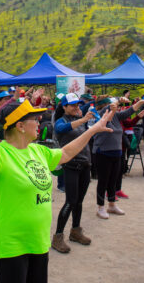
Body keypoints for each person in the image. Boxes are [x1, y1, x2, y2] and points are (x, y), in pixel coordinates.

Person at [0, 99, 114, 282]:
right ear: (20, 125)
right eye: (34, 118)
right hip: (11, 244)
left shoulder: (38, 151)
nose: (39, 120)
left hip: (38, 241)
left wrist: (93, 130)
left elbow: (65, 153)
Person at [93, 96, 144, 219]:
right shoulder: (99, 114)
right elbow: (108, 110)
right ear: (104, 105)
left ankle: (112, 205)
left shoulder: (116, 116)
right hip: (103, 152)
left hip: (117, 153)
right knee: (103, 181)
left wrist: (140, 102)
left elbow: (129, 111)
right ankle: (100, 207)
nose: (114, 106)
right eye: (110, 104)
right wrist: (118, 101)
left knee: (113, 181)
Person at [51, 93, 95, 254]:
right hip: (71, 166)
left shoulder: (80, 119)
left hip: (85, 165)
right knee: (70, 201)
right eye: (72, 105)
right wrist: (83, 120)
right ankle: (57, 237)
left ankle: (76, 231)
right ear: (64, 107)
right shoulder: (60, 122)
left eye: (78, 105)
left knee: (79, 202)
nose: (76, 107)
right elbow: (61, 129)